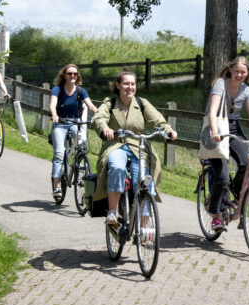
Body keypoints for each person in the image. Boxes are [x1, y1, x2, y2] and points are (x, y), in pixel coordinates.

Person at [92, 69, 177, 226]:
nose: (130, 87)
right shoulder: (109, 104)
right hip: (116, 145)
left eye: (132, 84)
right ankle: (113, 211)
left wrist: (169, 131)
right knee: (117, 168)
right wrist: (105, 129)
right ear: (118, 85)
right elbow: (98, 118)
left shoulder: (141, 103)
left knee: (144, 178)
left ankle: (144, 226)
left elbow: (158, 120)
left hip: (138, 146)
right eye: (126, 83)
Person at [205, 56, 249, 231]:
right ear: (230, 70)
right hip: (217, 127)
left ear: (248, 73)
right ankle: (215, 215)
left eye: (243, 72)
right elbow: (212, 111)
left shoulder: (246, 90)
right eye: (236, 71)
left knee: (247, 164)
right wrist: (214, 132)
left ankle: (232, 197)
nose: (239, 75)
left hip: (234, 128)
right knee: (222, 175)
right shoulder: (220, 84)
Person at [49, 64, 98, 200]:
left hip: (75, 122)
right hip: (60, 123)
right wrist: (54, 114)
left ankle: (80, 167)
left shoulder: (80, 91)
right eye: (70, 73)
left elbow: (91, 106)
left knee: (81, 146)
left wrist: (100, 115)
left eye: (75, 74)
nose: (72, 76)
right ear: (64, 75)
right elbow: (52, 104)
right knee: (59, 153)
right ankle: (57, 185)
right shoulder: (57, 89)